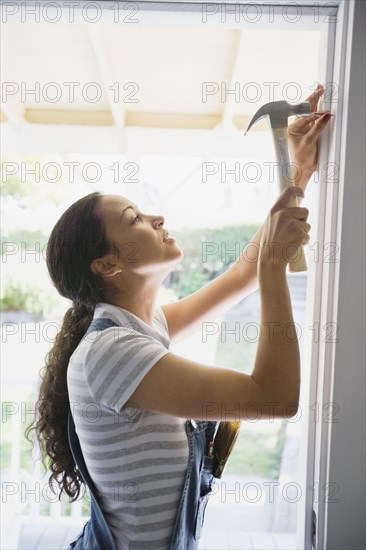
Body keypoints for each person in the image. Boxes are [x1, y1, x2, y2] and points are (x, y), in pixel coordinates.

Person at [27, 85, 331, 549]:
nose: (157, 217)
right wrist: (274, 264)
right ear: (108, 265)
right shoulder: (111, 352)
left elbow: (239, 275)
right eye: (134, 219)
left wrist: (297, 174)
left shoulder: (139, 329)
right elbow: (273, 398)